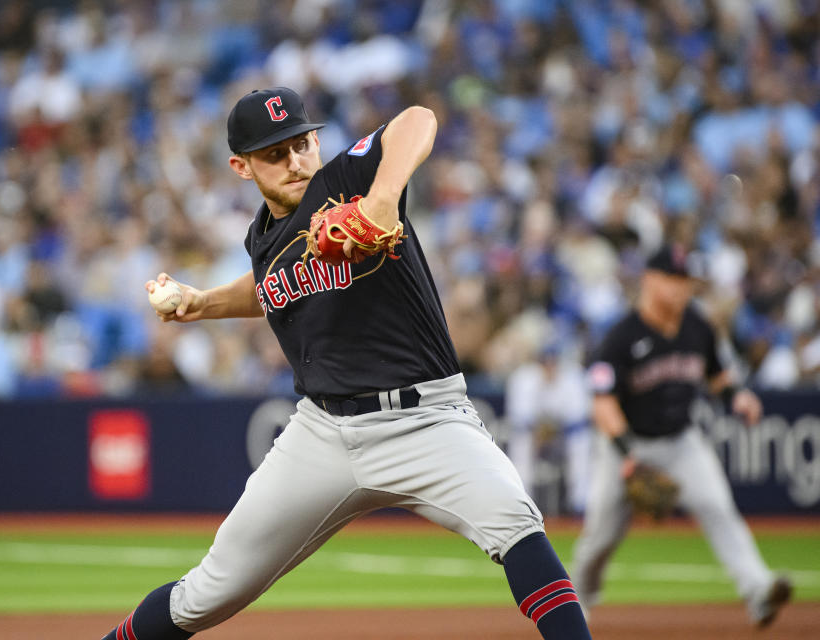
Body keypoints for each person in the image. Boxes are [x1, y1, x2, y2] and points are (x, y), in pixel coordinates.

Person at [101, 87, 591, 639]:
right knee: (204, 595)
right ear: (242, 167)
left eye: (302, 144)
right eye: (274, 154)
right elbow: (273, 285)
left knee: (517, 526)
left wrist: (382, 197)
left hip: (424, 419)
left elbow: (417, 119)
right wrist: (205, 303)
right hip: (323, 432)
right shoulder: (261, 236)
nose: (294, 162)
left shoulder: (344, 182)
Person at [572, 243, 792, 627]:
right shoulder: (621, 337)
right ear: (649, 280)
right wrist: (628, 455)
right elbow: (602, 405)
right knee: (599, 539)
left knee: (718, 507)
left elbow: (717, 376)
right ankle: (576, 603)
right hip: (626, 444)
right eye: (672, 280)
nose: (681, 289)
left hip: (681, 442)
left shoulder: (698, 327)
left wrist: (736, 396)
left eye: (685, 281)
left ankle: (759, 592)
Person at [506, 341, 592, 515]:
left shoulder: (574, 376)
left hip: (563, 437)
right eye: (545, 363)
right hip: (534, 435)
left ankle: (580, 503)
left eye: (553, 363)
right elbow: (520, 419)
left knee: (581, 441)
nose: (549, 367)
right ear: (538, 363)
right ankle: (522, 501)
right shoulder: (523, 378)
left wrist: (553, 432)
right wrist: (539, 432)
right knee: (521, 440)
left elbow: (579, 420)